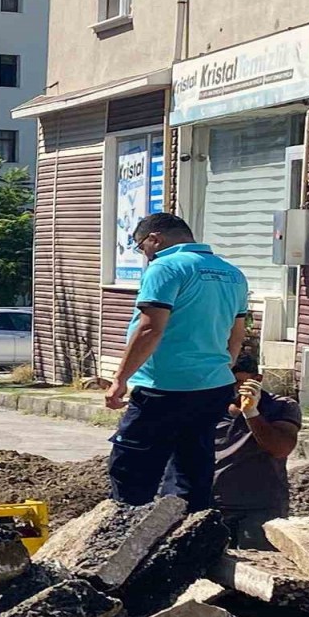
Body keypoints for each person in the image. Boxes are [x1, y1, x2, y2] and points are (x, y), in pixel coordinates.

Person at [104, 214, 249, 513]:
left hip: (164, 387)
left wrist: (120, 379)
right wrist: (223, 367)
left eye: (141, 247)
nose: (144, 254)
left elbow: (149, 329)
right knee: (192, 468)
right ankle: (188, 531)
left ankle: (127, 530)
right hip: (213, 387)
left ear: (154, 239)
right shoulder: (232, 273)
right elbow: (237, 334)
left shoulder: (166, 267)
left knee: (132, 469)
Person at [213, 355, 301, 550]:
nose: (232, 388)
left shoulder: (280, 407)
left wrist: (252, 413)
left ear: (257, 379)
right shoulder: (211, 406)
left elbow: (281, 448)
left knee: (262, 562)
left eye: (238, 382)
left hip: (259, 509)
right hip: (213, 505)